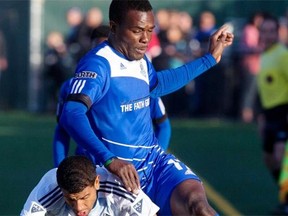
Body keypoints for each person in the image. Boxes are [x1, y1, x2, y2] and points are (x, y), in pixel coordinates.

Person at [59, 0, 233, 215]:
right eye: (137, 30)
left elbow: (157, 84)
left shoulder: (140, 59)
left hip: (154, 164)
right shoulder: (98, 64)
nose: (145, 38)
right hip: (115, 176)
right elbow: (71, 113)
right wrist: (109, 159)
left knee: (197, 205)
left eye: (150, 30)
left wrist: (209, 59)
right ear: (114, 27)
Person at [53, 24, 171, 167]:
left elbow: (163, 125)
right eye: (100, 48)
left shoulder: (141, 84)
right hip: (89, 168)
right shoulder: (71, 87)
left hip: (130, 170)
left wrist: (152, 163)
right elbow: (63, 128)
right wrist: (59, 168)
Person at [21, 155, 159, 216]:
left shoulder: (119, 186)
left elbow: (150, 214)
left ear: (97, 182)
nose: (79, 207)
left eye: (84, 197)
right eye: (71, 199)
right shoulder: (48, 189)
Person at [255, 13, 288, 215]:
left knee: (279, 157)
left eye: (270, 31)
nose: (267, 35)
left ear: (277, 33)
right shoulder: (265, 54)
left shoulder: (282, 54)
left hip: (283, 112)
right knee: (269, 158)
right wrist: (262, 116)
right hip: (270, 114)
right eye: (263, 31)